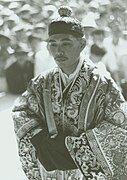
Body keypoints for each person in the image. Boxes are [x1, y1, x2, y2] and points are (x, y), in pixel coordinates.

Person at [12, 6, 127, 180]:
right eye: (53, 44)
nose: (58, 51)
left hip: (85, 172)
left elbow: (119, 125)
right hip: (50, 170)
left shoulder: (102, 83)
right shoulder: (41, 82)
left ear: (81, 44)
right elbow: (22, 111)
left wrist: (76, 149)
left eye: (66, 43)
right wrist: (40, 140)